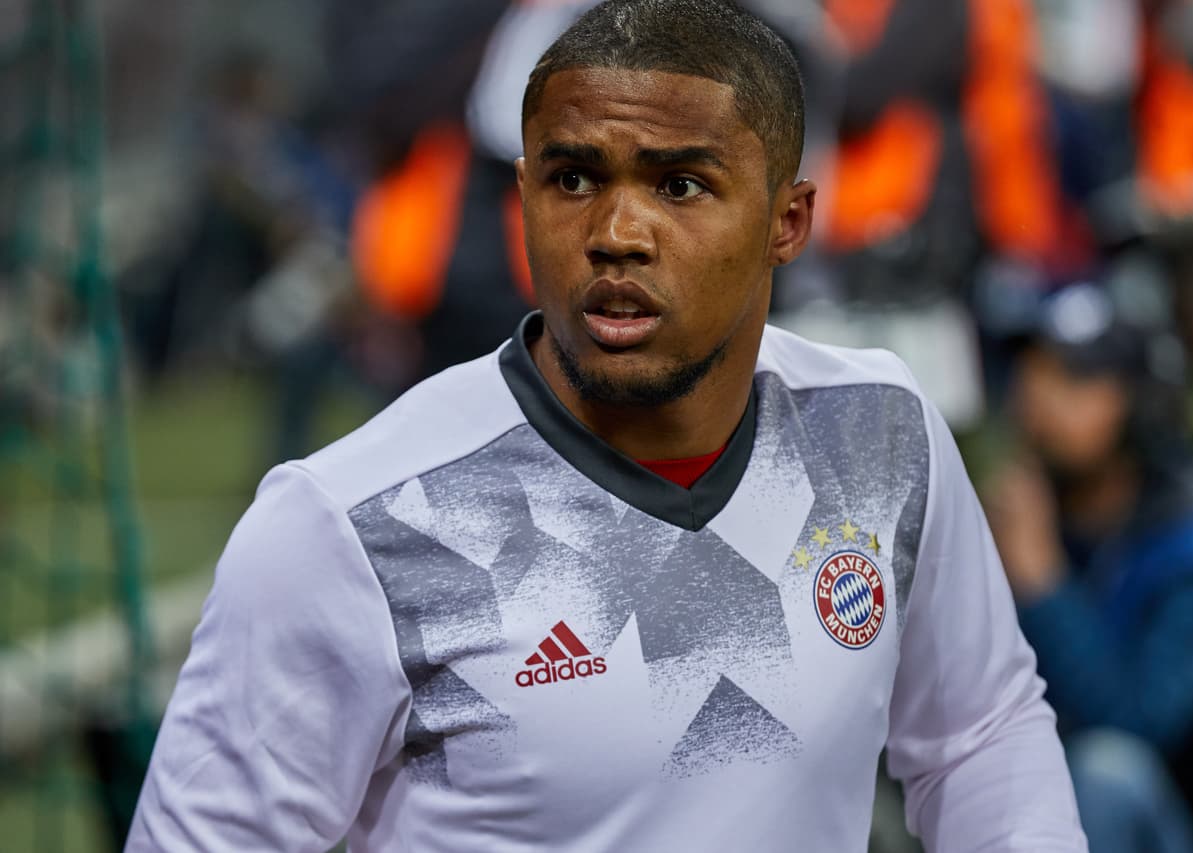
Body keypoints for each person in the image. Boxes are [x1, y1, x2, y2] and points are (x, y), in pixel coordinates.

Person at [125, 1, 1086, 850]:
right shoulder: (355, 524)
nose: (617, 231)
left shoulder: (879, 430)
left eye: (680, 185)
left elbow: (978, 731)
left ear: (787, 221)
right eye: (575, 178)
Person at [984, 282, 1193, 852]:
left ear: (1138, 402)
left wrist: (1043, 583)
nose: (1040, 400)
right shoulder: (1039, 515)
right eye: (1034, 373)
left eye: (1073, 380)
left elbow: (1134, 728)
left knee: (1107, 772)